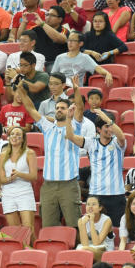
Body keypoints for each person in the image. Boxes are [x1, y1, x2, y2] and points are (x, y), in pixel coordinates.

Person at [19, 86, 83, 230]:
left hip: (69, 184)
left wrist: (77, 90)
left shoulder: (74, 126)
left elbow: (79, 108)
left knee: (74, 224)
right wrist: (21, 90)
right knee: (48, 225)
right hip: (48, 185)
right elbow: (30, 108)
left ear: (69, 111)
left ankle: (77, 252)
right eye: (57, 108)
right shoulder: (48, 127)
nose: (59, 110)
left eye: (63, 108)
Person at [0, 126, 38, 235]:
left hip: (24, 192)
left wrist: (19, 174)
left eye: (18, 135)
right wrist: (11, 178)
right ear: (9, 137)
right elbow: (1, 178)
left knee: (28, 229)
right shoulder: (2, 156)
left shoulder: (30, 153)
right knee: (15, 231)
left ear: (23, 139)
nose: (15, 137)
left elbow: (34, 176)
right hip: (8, 194)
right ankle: (20, 251)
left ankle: (33, 251)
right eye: (12, 134)